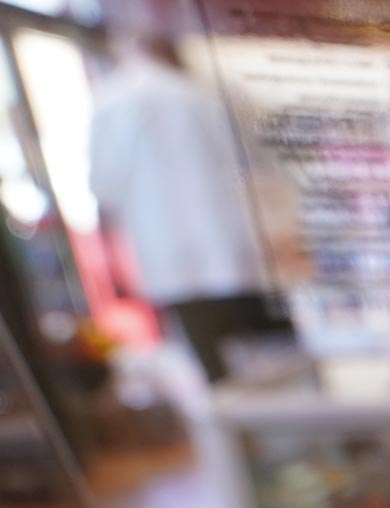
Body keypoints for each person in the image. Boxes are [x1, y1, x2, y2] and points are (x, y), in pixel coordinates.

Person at [88, 30, 285, 383]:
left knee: (219, 370)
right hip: (231, 242)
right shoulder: (207, 94)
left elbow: (103, 186)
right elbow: (260, 164)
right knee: (274, 354)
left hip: (168, 252)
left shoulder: (110, 102)